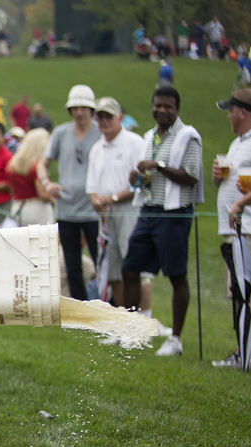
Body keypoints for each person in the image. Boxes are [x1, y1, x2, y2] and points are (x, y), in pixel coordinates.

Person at [122, 85, 204, 357]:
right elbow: (147, 175)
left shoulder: (188, 136)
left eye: (168, 106)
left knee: (176, 275)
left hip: (175, 213)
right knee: (130, 268)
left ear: (177, 109)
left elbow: (191, 177)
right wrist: (138, 177)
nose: (162, 110)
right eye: (158, 105)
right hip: (149, 210)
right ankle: (133, 330)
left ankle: (176, 340)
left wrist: (157, 166)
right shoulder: (149, 136)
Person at [39, 84, 102, 300]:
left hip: (93, 208)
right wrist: (47, 183)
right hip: (66, 207)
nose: (80, 112)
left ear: (91, 110)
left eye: (84, 107)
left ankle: (107, 304)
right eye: (75, 107)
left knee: (100, 259)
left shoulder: (100, 133)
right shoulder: (61, 133)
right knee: (72, 261)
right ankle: (80, 308)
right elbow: (43, 163)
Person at [85, 97, 147, 311]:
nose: (104, 121)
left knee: (134, 268)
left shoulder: (135, 143)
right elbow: (92, 187)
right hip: (106, 215)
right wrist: (96, 201)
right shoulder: (97, 149)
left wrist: (112, 198)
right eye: (100, 117)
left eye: (108, 116)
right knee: (113, 272)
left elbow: (141, 183)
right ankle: (124, 322)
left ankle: (143, 320)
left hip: (130, 211)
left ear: (120, 117)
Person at [211, 86, 251, 370]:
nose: (228, 116)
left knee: (246, 290)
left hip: (247, 227)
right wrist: (218, 179)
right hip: (233, 228)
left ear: (243, 112)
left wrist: (240, 204)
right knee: (236, 292)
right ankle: (241, 349)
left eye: (231, 111)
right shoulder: (237, 143)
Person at [5, 127, 54, 225]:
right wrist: (54, 199)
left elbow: (10, 189)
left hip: (18, 207)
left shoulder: (12, 164)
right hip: (38, 209)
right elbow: (43, 194)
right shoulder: (37, 166)